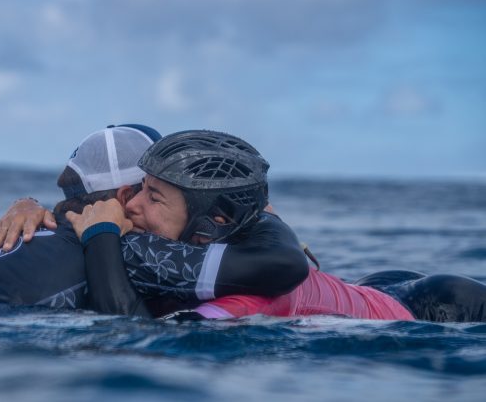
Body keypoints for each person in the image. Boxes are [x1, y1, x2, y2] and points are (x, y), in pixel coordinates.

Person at [0, 125, 308, 309]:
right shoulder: (126, 246)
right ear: (125, 194)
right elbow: (283, 266)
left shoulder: (46, 225)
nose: (138, 208)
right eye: (147, 192)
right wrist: (261, 213)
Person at [65, 130, 486, 322]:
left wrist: (100, 240)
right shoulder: (214, 241)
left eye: (152, 197)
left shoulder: (244, 303)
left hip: (437, 306)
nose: (129, 205)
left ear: (211, 224)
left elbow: (129, 334)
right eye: (140, 189)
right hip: (371, 286)